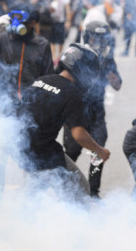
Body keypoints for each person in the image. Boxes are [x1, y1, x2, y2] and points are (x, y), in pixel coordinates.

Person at [17, 52, 111, 202]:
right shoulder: (72, 93)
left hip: (22, 148)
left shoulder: (41, 80)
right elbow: (78, 134)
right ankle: (75, 223)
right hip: (45, 154)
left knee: (32, 198)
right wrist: (99, 151)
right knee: (81, 194)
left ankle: (25, 220)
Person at [0, 3, 54, 194]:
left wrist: (45, 109)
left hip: (30, 111)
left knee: (30, 159)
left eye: (24, 21)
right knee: (0, 157)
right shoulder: (3, 38)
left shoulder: (42, 45)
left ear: (33, 23)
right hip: (3, 107)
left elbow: (48, 78)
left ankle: (29, 206)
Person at [59, 20, 122, 198]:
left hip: (97, 113)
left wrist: (110, 74)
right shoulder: (76, 55)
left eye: (103, 39)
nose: (99, 42)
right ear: (87, 37)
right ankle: (66, 190)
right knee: (70, 153)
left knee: (99, 152)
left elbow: (117, 85)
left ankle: (93, 191)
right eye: (96, 38)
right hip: (75, 112)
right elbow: (58, 77)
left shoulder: (107, 58)